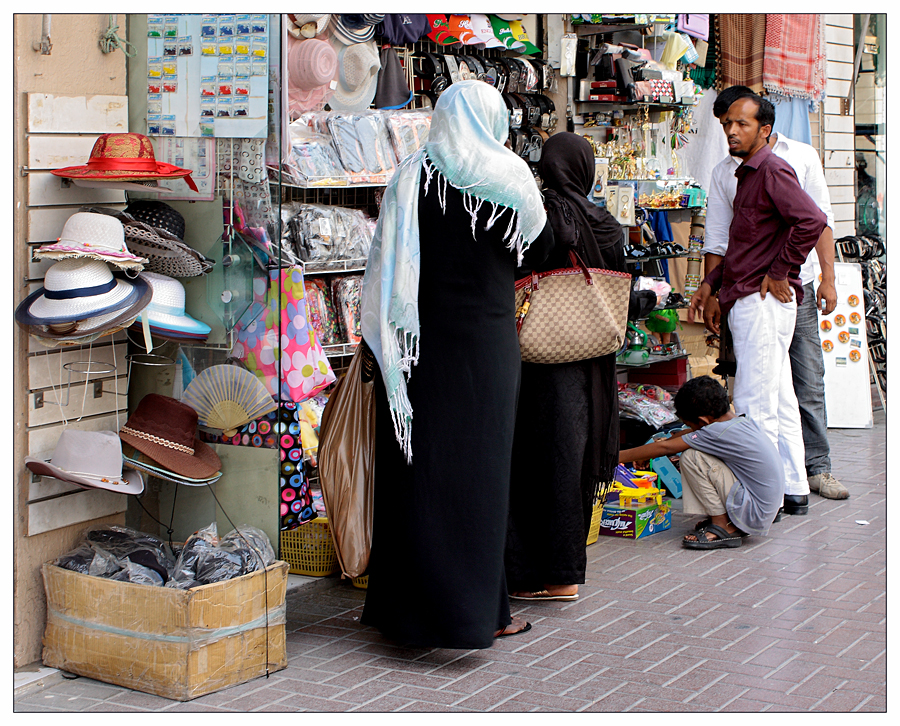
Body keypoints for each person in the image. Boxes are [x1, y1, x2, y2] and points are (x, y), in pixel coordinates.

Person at [358, 81, 555, 648]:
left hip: (416, 352)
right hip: (483, 352)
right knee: (479, 479)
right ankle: (477, 612)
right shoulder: (509, 177)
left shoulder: (410, 176)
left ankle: (408, 614)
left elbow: (387, 262)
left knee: (416, 474)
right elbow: (537, 253)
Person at [704, 85, 848, 502]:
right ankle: (793, 487)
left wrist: (787, 270)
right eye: (727, 123)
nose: (731, 130)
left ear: (763, 128)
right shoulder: (740, 171)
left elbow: (815, 219)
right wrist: (710, 286)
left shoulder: (777, 166)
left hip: (769, 296)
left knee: (757, 400)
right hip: (754, 292)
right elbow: (732, 241)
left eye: (740, 123)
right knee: (780, 397)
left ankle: (760, 499)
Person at [504, 132, 627, 602]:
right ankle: (564, 574)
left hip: (539, 359)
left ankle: (534, 574)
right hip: (591, 362)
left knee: (533, 463)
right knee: (570, 465)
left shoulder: (535, 215)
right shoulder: (606, 224)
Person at [618, 376, 784, 549]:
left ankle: (723, 525)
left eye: (690, 423)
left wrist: (615, 458)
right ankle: (729, 520)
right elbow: (687, 434)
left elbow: (667, 448)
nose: (690, 428)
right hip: (760, 508)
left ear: (704, 421)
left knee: (692, 457)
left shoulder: (716, 432)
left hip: (753, 512)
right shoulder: (736, 422)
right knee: (696, 450)